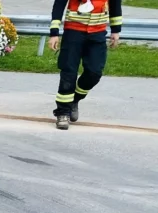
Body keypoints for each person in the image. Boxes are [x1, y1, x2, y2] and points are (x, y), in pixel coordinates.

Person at [49, 0, 122, 130]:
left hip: (98, 32)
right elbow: (59, 4)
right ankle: (63, 113)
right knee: (68, 72)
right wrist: (54, 32)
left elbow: (115, 4)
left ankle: (75, 99)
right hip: (73, 31)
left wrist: (115, 30)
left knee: (94, 72)